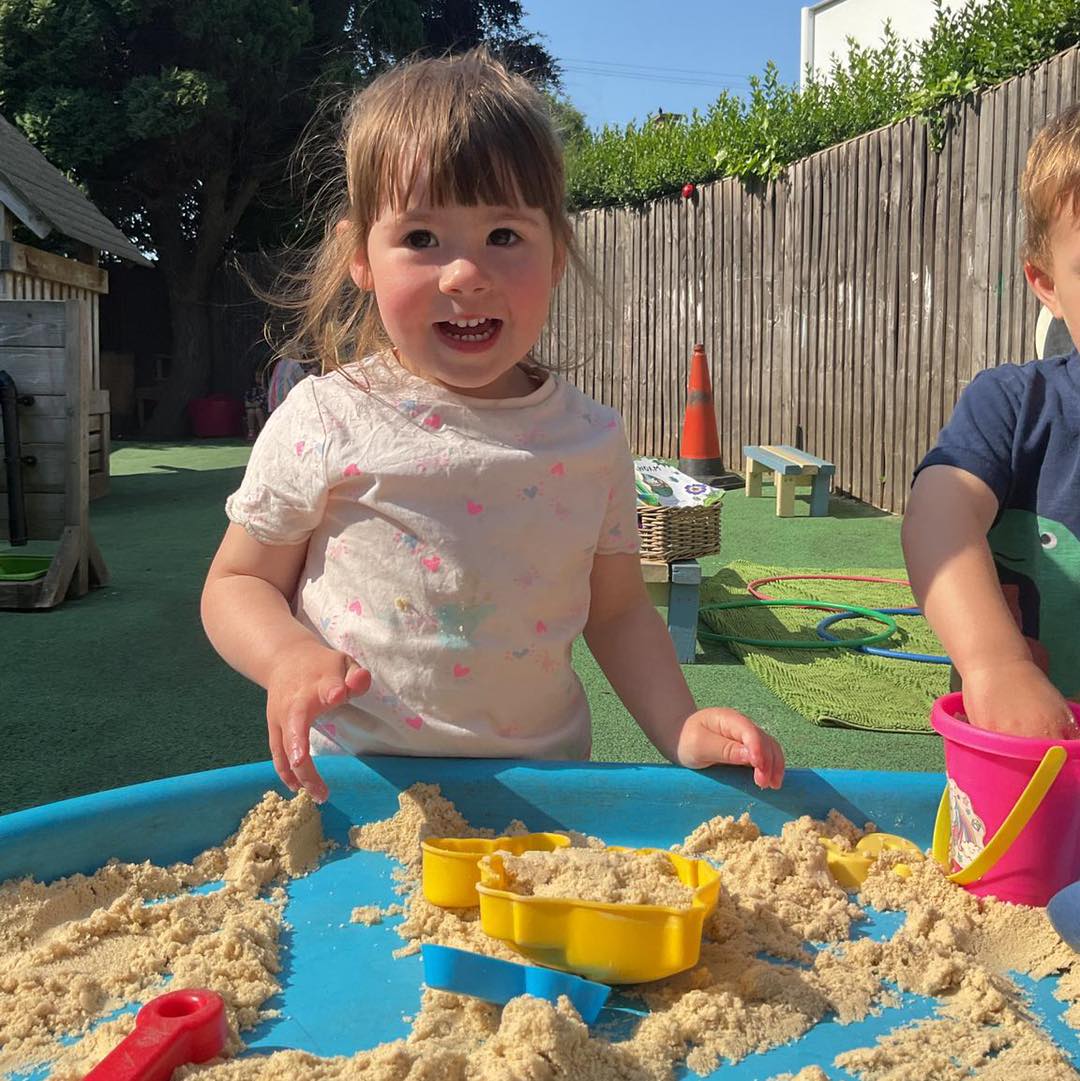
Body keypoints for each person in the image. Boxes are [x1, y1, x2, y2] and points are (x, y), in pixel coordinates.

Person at [200, 49, 784, 803]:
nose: (465, 273)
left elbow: (616, 610)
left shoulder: (591, 438)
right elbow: (237, 581)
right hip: (358, 788)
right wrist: (285, 656)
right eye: (421, 239)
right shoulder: (327, 415)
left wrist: (680, 724)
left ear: (558, 255)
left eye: (503, 235)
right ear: (360, 259)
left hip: (544, 790)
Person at [903, 103, 1080, 741]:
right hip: (1021, 774)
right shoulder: (1013, 407)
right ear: (1048, 284)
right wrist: (993, 661)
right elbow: (937, 515)